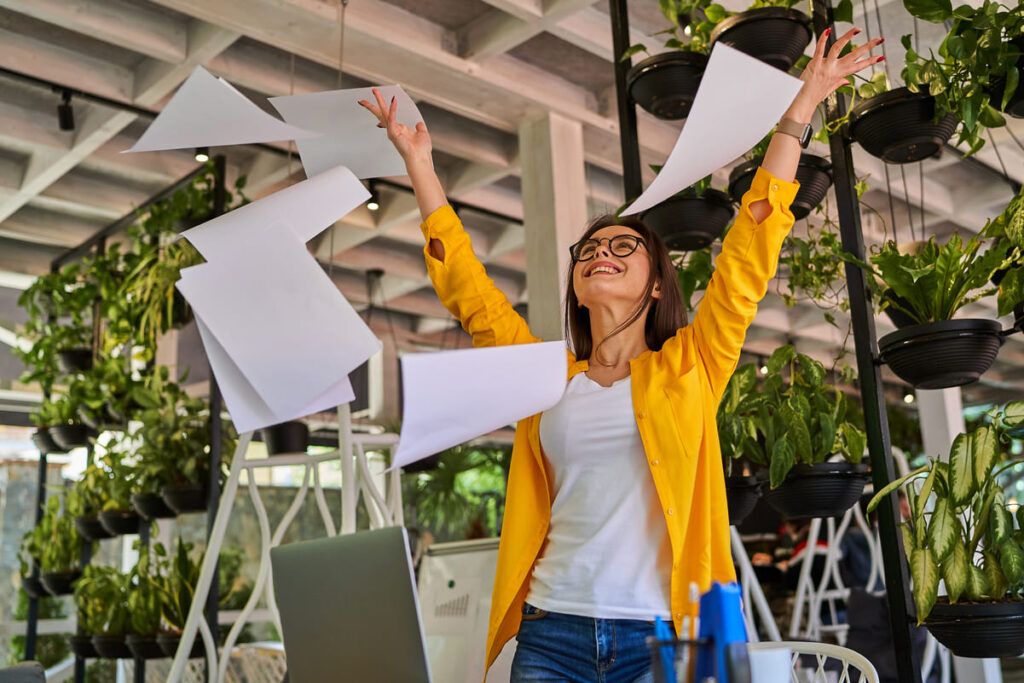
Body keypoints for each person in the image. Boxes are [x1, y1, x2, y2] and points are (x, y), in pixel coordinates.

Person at [361, 26, 883, 683]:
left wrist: (797, 113)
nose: (601, 253)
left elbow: (751, 251)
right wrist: (422, 169)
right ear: (577, 285)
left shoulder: (693, 364)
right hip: (552, 633)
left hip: (665, 637)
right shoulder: (541, 377)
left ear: (658, 281)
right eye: (590, 250)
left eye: (623, 247)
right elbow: (473, 295)